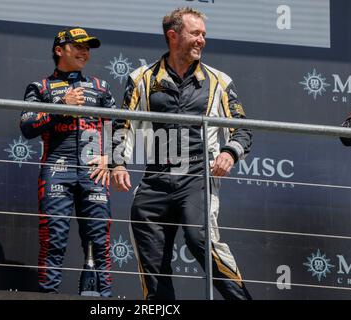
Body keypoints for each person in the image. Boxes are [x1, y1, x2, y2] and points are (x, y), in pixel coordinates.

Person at [110, 7, 253, 300]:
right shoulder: (140, 78)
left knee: (201, 240)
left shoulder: (220, 81)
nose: (202, 40)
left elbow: (243, 130)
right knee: (151, 257)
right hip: (155, 178)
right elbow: (122, 124)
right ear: (173, 36)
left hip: (197, 177)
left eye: (204, 34)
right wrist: (117, 162)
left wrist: (229, 152)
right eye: (195, 33)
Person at [20, 27, 116, 296]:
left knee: (99, 240)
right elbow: (27, 126)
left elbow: (118, 128)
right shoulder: (40, 87)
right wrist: (61, 104)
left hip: (94, 173)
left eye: (88, 48)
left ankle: (104, 301)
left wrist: (110, 159)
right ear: (59, 50)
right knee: (54, 239)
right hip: (56, 171)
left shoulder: (101, 88)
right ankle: (48, 295)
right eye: (78, 46)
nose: (85, 52)